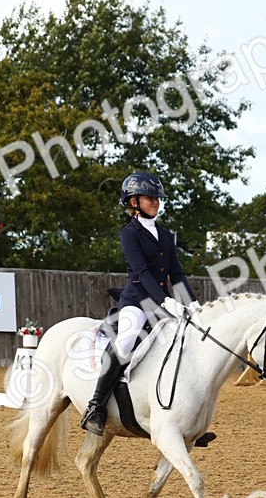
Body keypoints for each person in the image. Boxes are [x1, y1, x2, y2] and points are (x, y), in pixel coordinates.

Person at [80, 171, 200, 434]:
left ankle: (186, 418)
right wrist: (167, 301)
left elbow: (176, 274)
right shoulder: (129, 234)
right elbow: (142, 273)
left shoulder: (166, 235)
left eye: (158, 198)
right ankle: (95, 406)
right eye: (150, 198)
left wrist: (192, 304)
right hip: (136, 302)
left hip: (163, 304)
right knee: (125, 340)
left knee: (185, 342)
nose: (156, 202)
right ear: (133, 201)